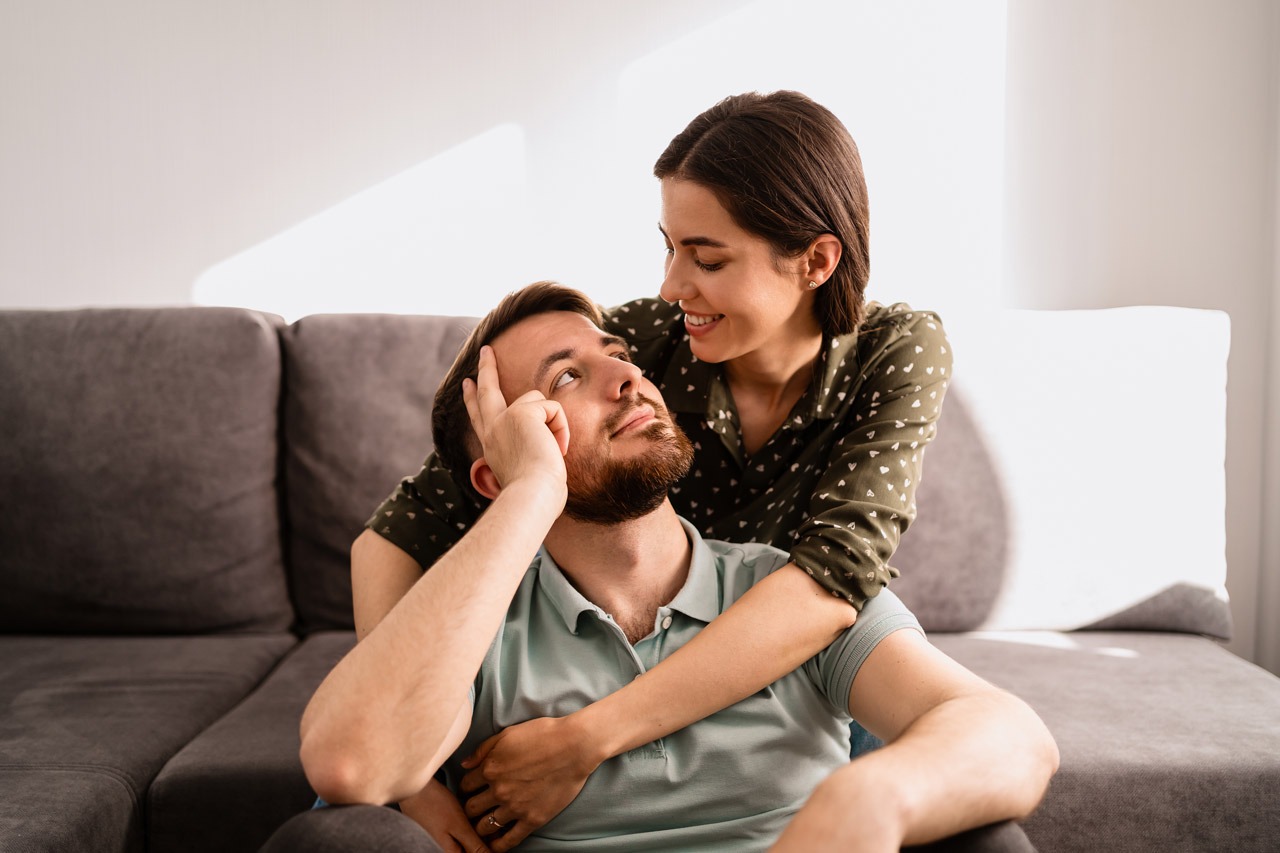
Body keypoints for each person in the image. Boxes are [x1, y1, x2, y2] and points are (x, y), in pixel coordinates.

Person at [355, 90, 955, 845]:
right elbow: (393, 535)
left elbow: (835, 582)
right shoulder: (645, 340)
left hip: (791, 687)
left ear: (816, 260)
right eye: (669, 246)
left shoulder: (895, 351)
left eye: (706, 258)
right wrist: (416, 786)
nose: (673, 285)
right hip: (605, 658)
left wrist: (587, 738)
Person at [286, 283, 1057, 853]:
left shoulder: (774, 592)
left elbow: (1014, 737)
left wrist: (872, 794)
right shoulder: (477, 627)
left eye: (618, 357)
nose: (626, 378)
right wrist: (530, 493)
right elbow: (351, 761)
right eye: (565, 380)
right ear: (496, 471)